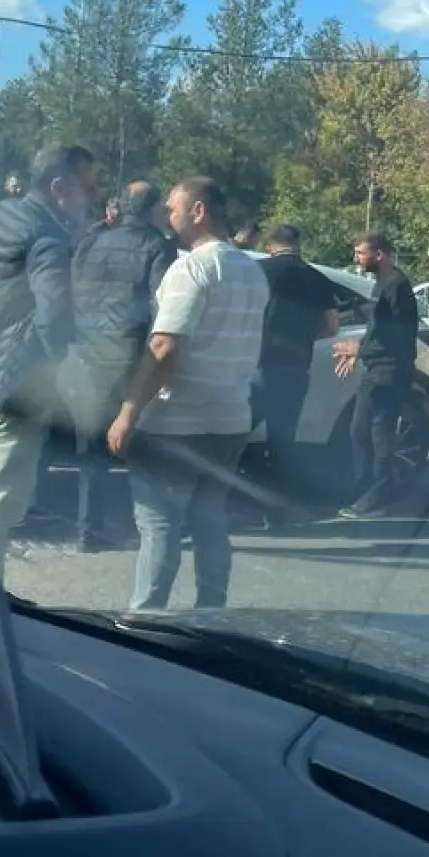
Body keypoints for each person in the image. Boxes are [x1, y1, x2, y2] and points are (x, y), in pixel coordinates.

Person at [106, 177, 269, 612]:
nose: (167, 217)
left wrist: (127, 412)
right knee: (210, 521)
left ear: (198, 212)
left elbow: (164, 347)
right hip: (230, 420)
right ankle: (211, 613)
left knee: (159, 524)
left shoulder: (190, 269)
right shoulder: (253, 272)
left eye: (174, 209)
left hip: (175, 422)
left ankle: (146, 619)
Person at [0, 144, 97, 580]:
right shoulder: (48, 237)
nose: (94, 197)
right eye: (88, 187)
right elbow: (53, 319)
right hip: (12, 392)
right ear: (59, 187)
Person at [69, 181, 175, 550]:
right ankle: (144, 526)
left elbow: (73, 293)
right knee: (140, 444)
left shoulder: (91, 240)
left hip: (88, 354)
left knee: (91, 450)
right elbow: (162, 306)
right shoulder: (157, 245)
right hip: (131, 356)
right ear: (153, 209)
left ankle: (88, 529)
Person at [255, 225, 340, 524]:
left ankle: (218, 503)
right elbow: (331, 326)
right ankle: (276, 514)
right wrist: (302, 337)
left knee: (231, 435)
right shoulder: (316, 278)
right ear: (299, 244)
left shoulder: (258, 271)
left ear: (270, 247)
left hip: (255, 366)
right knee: (282, 442)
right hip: (294, 369)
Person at [332, 232, 418, 518]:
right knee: (360, 429)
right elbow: (377, 330)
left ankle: (379, 493)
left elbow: (395, 335)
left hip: (390, 371)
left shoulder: (396, 286)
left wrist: (358, 349)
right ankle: (367, 486)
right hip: (377, 368)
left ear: (379, 254)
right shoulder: (383, 284)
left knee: (379, 433)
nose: (356, 259)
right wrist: (360, 352)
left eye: (360, 253)